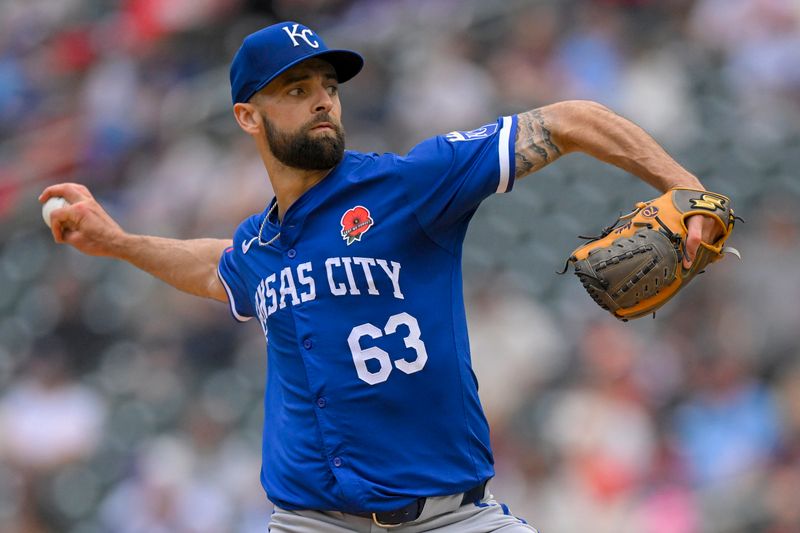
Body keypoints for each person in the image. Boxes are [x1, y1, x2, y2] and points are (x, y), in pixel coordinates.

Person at [40, 21, 721, 533]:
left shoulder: (409, 184)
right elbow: (219, 269)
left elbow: (571, 120)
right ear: (247, 116)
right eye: (297, 89)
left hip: (450, 518)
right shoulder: (263, 244)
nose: (323, 102)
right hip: (311, 521)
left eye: (329, 88)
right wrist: (119, 241)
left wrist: (688, 188)